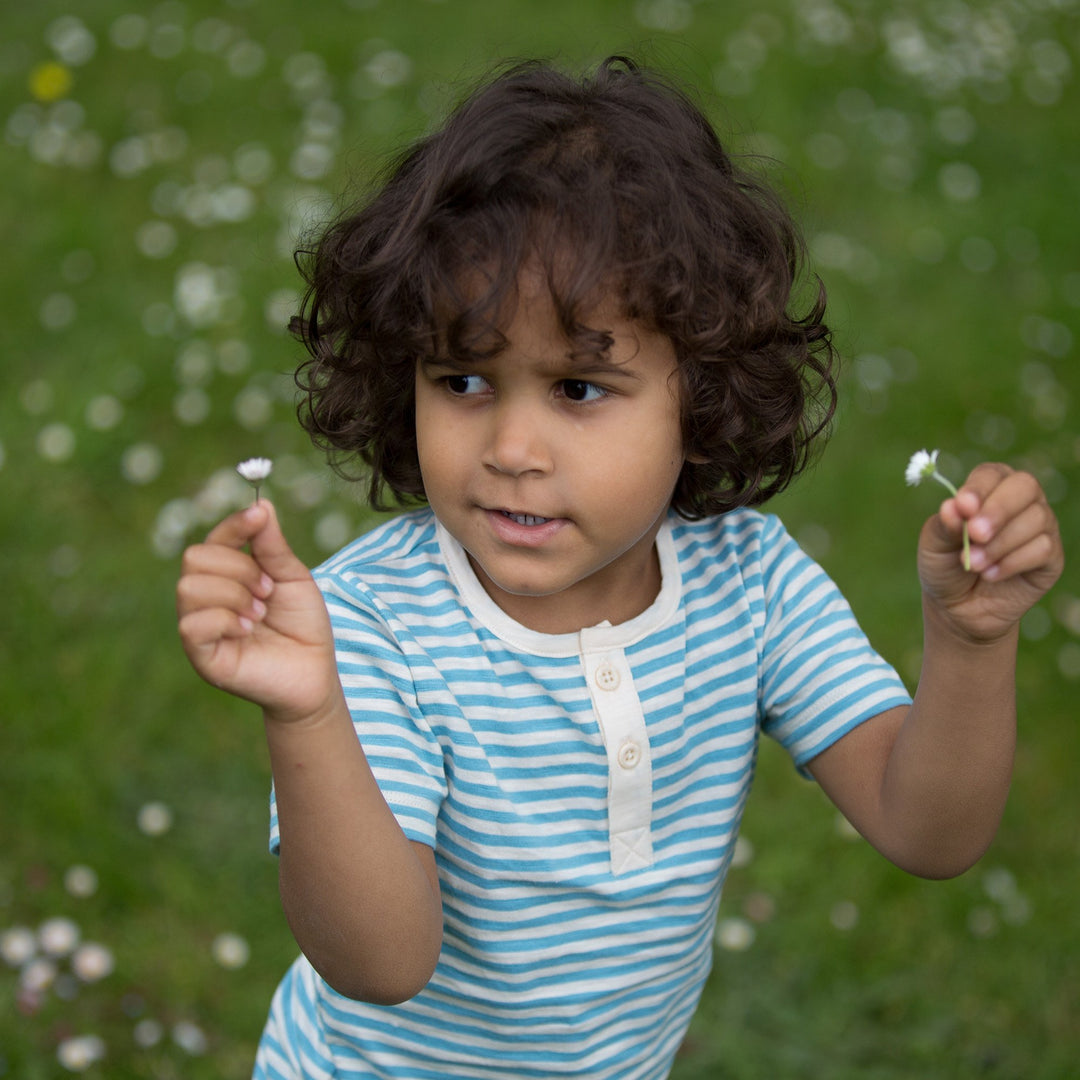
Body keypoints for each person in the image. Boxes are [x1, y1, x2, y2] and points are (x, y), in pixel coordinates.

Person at [176, 57, 1064, 1080]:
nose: (512, 445)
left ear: (702, 393)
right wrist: (307, 712)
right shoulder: (372, 627)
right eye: (462, 379)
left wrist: (967, 640)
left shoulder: (749, 582)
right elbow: (382, 963)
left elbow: (927, 827)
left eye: (579, 388)